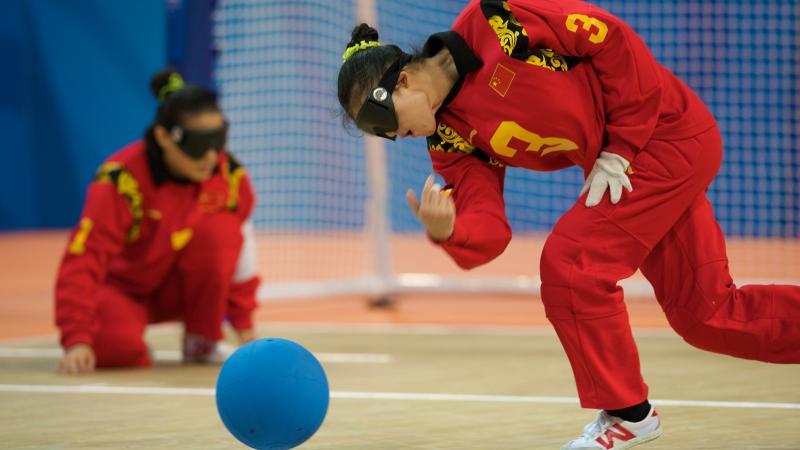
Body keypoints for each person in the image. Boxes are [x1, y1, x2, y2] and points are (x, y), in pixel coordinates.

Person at [336, 1, 800, 449]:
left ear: (403, 81)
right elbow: (490, 229)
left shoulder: (499, 19)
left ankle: (628, 416)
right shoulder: (450, 137)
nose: (392, 138)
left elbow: (613, 41)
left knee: (572, 265)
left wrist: (621, 145)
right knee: (708, 317)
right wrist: (450, 231)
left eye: (382, 122)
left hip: (663, 133)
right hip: (626, 164)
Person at [55, 69, 261, 374]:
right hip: (124, 289)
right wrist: (77, 337)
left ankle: (202, 339)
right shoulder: (121, 180)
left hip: (182, 286)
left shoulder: (228, 175)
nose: (209, 156)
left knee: (221, 231)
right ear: (164, 136)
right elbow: (84, 256)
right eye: (196, 143)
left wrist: (243, 322)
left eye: (217, 140)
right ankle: (125, 336)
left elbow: (241, 243)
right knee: (114, 349)